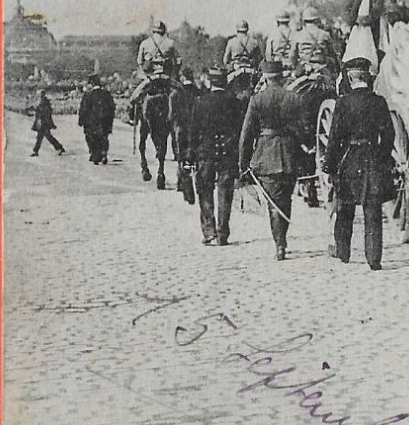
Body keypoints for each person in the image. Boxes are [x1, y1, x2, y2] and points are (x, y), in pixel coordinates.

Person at [323, 57, 397, 270]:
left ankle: (343, 252)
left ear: (349, 77)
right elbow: (389, 134)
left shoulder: (343, 103)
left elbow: (335, 137)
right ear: (368, 77)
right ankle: (374, 259)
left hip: (349, 160)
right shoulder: (379, 102)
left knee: (345, 209)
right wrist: (382, 157)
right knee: (373, 212)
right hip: (372, 160)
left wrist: (329, 165)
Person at [238, 59, 306, 260]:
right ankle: (282, 240)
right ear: (282, 77)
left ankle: (280, 244)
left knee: (273, 203)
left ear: (265, 78)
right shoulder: (294, 97)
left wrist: (243, 163)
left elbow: (246, 134)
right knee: (286, 200)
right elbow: (303, 130)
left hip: (265, 156)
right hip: (289, 154)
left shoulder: (257, 99)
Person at [186, 67, 243, 245]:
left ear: (210, 82)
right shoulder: (234, 102)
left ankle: (209, 231)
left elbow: (193, 131)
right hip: (227, 153)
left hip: (205, 153)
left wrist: (189, 154)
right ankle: (223, 232)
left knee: (204, 190)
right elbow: (240, 129)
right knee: (225, 192)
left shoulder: (200, 102)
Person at [127, 20, 178, 121]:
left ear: (153, 31)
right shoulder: (171, 43)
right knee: (183, 94)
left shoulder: (145, 43)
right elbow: (178, 61)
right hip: (167, 78)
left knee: (134, 97)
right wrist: (173, 72)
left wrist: (145, 74)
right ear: (163, 31)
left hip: (150, 79)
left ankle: (131, 116)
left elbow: (139, 62)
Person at [77, 73, 115, 165]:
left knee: (92, 138)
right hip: (105, 121)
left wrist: (81, 120)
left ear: (92, 84)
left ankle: (95, 155)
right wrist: (110, 120)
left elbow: (83, 109)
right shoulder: (107, 94)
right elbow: (112, 108)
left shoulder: (88, 96)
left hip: (91, 122)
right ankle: (103, 153)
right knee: (104, 137)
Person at [291, 6, 334, 79]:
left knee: (289, 87)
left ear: (304, 21)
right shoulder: (325, 34)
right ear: (317, 20)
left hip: (305, 70)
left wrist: (296, 66)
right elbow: (332, 54)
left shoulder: (297, 35)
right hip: (322, 70)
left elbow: (292, 56)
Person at [29, 88, 65, 156]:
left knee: (46, 137)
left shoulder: (44, 102)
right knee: (41, 137)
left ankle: (59, 148)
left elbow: (45, 113)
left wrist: (37, 112)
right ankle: (59, 148)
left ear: (42, 95)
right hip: (42, 122)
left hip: (44, 123)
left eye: (39, 95)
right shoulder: (42, 101)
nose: (38, 96)